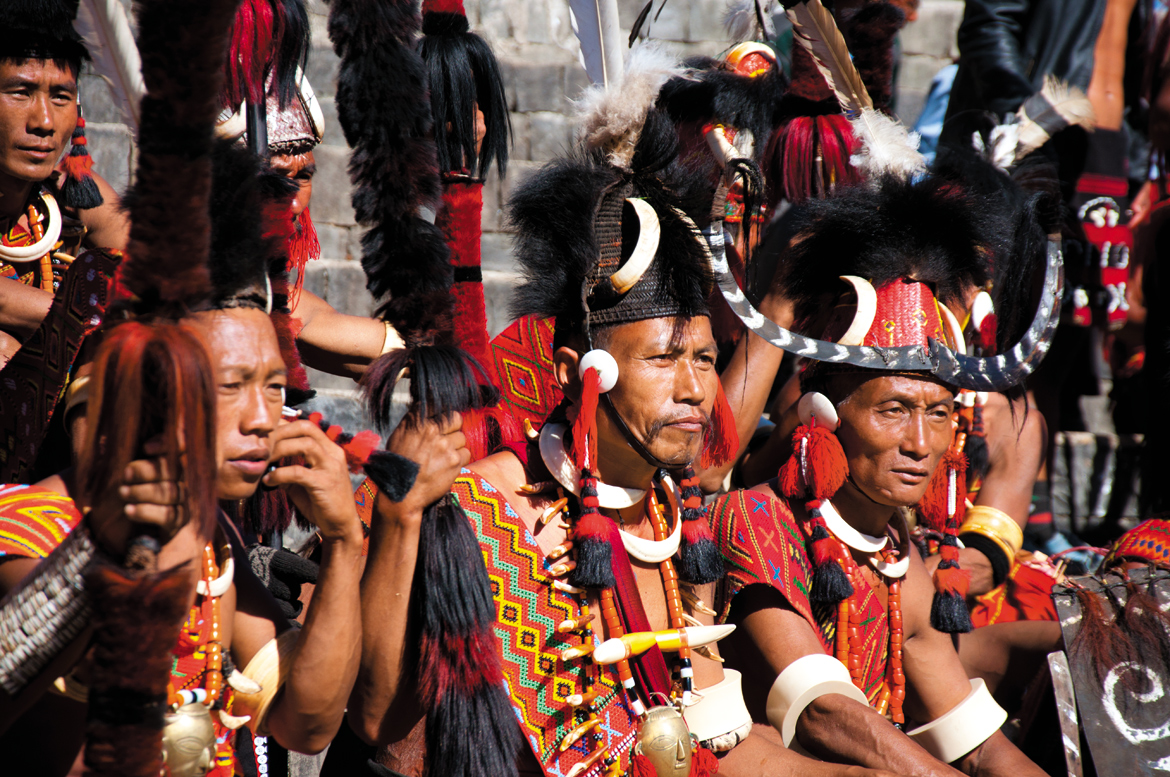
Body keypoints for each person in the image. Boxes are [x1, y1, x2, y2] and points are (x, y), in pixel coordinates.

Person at [345, 41, 900, 776]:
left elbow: (721, 744)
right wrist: (399, 523)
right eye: (665, 359)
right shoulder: (482, 515)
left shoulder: (671, 520)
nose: (697, 389)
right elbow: (385, 730)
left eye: (704, 358)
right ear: (584, 372)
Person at [0, 3, 386, 772]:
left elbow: (306, 722)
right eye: (233, 385)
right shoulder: (30, 523)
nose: (261, 419)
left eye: (274, 388)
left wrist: (346, 543)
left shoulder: (213, 548)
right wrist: (98, 551)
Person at [707, 148, 1061, 773]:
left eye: (938, 413)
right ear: (823, 413)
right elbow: (820, 708)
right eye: (894, 410)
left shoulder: (895, 544)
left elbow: (971, 738)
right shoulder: (756, 521)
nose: (922, 444)